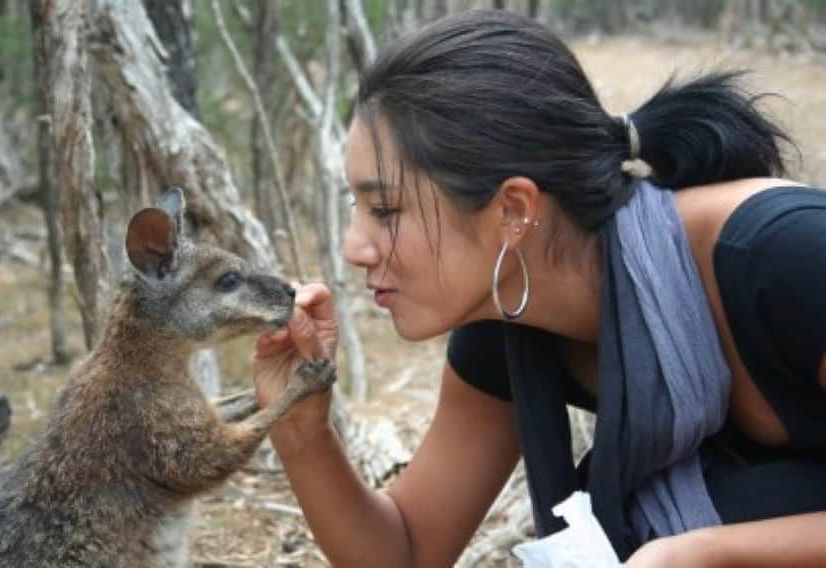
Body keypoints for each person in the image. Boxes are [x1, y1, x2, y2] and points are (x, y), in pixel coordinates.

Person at [252, 10, 826, 567]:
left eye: (386, 209)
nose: (355, 247)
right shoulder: (507, 324)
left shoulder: (783, 257)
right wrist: (302, 430)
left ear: (513, 210)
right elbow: (406, 552)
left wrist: (712, 552)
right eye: (358, 208)